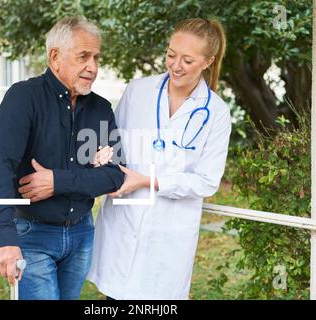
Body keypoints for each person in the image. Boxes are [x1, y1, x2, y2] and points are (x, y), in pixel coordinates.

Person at [87, 18, 231, 300]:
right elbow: (114, 147)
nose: (176, 65)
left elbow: (206, 182)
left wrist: (149, 181)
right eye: (171, 55)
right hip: (123, 223)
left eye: (187, 60)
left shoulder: (216, 112)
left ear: (208, 61)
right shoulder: (138, 91)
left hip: (168, 236)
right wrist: (102, 155)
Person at [0, 16, 125, 300]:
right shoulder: (23, 98)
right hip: (31, 235)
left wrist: (57, 181)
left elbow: (115, 174)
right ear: (55, 56)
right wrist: (2, 238)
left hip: (82, 234)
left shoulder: (100, 109)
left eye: (96, 57)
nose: (93, 67)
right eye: (84, 56)